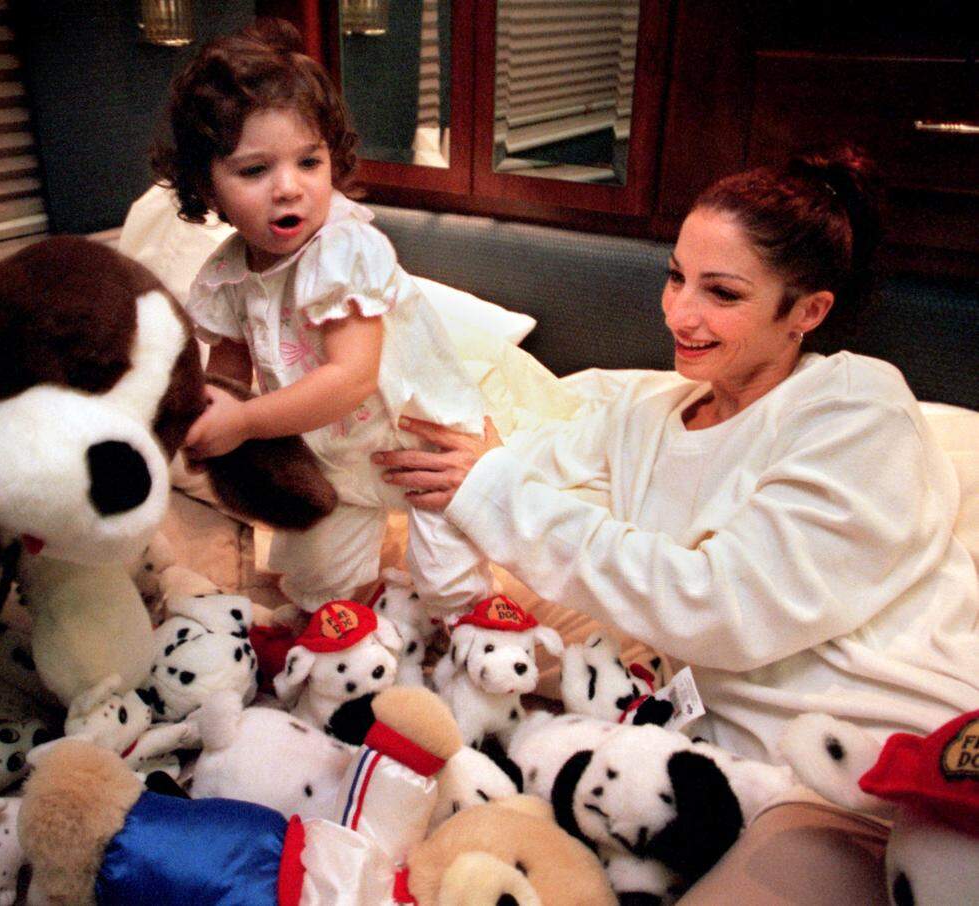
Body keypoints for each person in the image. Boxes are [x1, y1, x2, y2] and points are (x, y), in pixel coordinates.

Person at [373, 147, 978, 900]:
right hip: (724, 775)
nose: (679, 313)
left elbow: (719, 606)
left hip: (898, 770)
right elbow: (513, 467)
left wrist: (496, 491)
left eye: (720, 293)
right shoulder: (644, 415)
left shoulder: (857, 408)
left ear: (808, 312)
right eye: (675, 277)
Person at [153, 19, 492, 620]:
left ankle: (464, 658)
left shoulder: (344, 250)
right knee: (315, 589)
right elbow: (227, 385)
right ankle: (351, 654)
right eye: (254, 171)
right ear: (207, 186)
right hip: (332, 454)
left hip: (420, 443)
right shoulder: (227, 274)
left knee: (452, 589)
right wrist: (206, 421)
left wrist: (250, 422)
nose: (290, 188)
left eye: (309, 162)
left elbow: (352, 377)